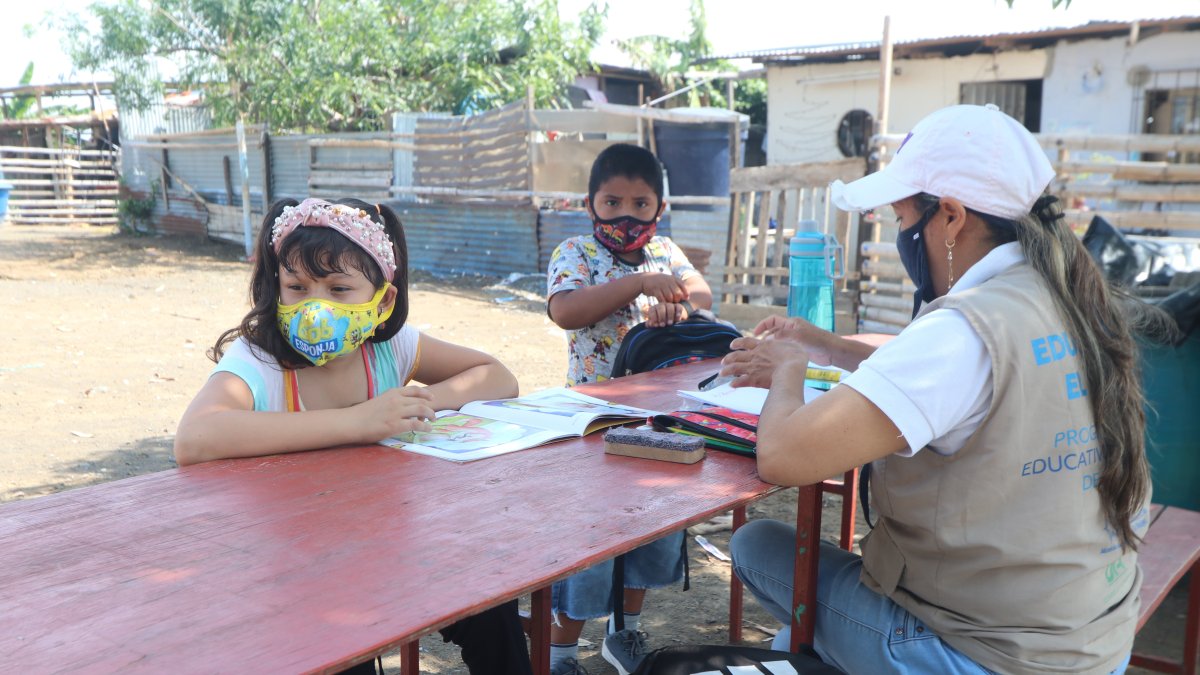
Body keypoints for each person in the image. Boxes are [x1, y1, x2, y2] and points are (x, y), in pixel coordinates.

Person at [720, 105, 1171, 674]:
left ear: (952, 217)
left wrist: (786, 369)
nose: (905, 236)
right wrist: (828, 346)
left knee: (757, 548)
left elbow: (784, 455)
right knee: (791, 637)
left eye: (905, 218)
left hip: (989, 657)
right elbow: (943, 378)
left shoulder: (963, 330)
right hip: (1092, 639)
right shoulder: (1065, 296)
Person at [174, 197, 531, 675]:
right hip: (294, 575)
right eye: (296, 287)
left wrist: (419, 403)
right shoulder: (257, 360)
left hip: (391, 551)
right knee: (346, 655)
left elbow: (497, 376)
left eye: (339, 288)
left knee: (492, 607)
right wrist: (359, 421)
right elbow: (195, 438)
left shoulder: (389, 348)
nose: (316, 306)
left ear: (382, 300)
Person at [545, 144, 713, 675]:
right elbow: (566, 310)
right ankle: (561, 653)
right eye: (612, 201)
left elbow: (702, 296)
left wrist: (677, 303)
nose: (626, 215)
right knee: (590, 545)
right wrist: (639, 284)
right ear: (589, 203)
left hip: (659, 421)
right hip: (593, 422)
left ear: (658, 209)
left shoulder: (665, 251)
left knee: (648, 530)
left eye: (640, 204)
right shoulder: (574, 252)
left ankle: (626, 635)